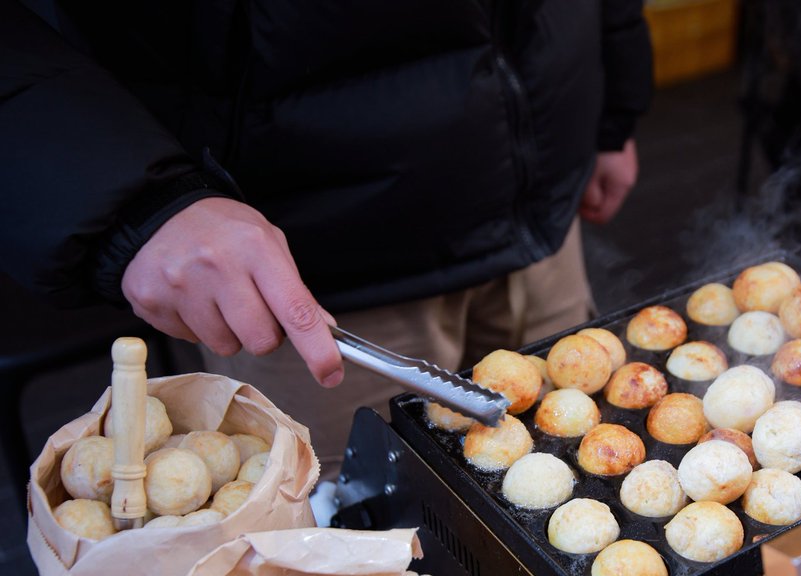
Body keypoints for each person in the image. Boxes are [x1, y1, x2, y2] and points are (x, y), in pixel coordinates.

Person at [0, 0, 652, 473]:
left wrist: (611, 90)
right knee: (358, 540)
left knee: (571, 473)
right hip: (311, 271)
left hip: (542, 191)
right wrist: (130, 199)